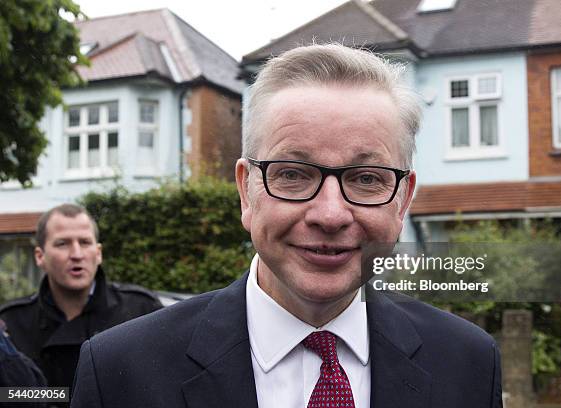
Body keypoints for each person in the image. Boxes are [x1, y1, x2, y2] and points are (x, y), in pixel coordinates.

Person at [71, 44, 502, 407]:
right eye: (293, 174)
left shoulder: (468, 364)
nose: (330, 215)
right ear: (246, 191)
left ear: (403, 200)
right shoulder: (118, 373)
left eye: (366, 179)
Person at [0, 204, 162, 399]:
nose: (76, 254)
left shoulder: (142, 310)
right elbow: (10, 396)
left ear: (98, 252)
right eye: (62, 244)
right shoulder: (12, 322)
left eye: (85, 242)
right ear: (40, 256)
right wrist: (61, 397)